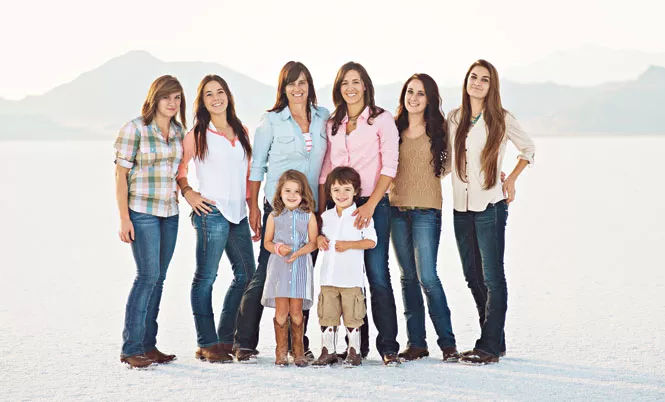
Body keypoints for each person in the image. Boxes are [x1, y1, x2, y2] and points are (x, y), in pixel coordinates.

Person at [234, 61, 329, 362]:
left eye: (302, 82)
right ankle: (244, 343)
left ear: (309, 86)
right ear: (283, 88)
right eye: (291, 83)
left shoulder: (323, 117)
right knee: (267, 274)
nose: (297, 88)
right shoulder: (271, 121)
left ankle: (298, 344)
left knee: (302, 277)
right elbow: (257, 165)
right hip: (276, 207)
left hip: (310, 209)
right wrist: (253, 207)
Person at [448, 59, 535, 364]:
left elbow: (529, 149)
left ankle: (487, 346)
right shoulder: (455, 118)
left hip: (490, 206)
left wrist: (510, 178)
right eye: (473, 77)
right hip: (461, 207)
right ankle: (495, 340)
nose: (477, 83)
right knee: (473, 276)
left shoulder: (501, 118)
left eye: (484, 79)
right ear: (466, 81)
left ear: (491, 86)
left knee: (492, 277)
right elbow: (447, 163)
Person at [318, 61, 401, 365]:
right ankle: (357, 346)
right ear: (339, 89)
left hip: (372, 203)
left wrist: (369, 205)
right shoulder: (333, 123)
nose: (350, 88)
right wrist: (325, 207)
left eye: (356, 82)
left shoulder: (382, 120)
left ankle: (388, 345)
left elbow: (390, 167)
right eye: (344, 83)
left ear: (365, 85)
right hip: (339, 205)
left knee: (378, 274)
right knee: (348, 275)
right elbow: (327, 168)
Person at [176, 75, 257, 363]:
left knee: (247, 275)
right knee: (205, 278)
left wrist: (253, 208)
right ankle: (206, 342)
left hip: (238, 215)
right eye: (209, 94)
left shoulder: (242, 130)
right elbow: (180, 169)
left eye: (220, 91)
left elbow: (248, 175)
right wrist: (189, 193)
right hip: (211, 214)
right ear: (203, 101)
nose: (216, 98)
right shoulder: (197, 134)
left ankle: (225, 338)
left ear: (228, 95)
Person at [114, 75, 186, 368]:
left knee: (159, 278)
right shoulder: (135, 129)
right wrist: (124, 217)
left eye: (177, 98)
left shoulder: (180, 131)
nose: (172, 103)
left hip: (170, 212)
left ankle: (148, 345)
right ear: (155, 98)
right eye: (167, 97)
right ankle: (131, 347)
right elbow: (120, 175)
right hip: (141, 211)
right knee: (146, 276)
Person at [390, 73, 460, 362]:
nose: (414, 98)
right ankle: (416, 343)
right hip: (395, 209)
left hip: (427, 211)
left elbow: (449, 165)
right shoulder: (394, 129)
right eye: (410, 92)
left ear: (429, 99)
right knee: (407, 278)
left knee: (428, 277)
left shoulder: (440, 130)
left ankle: (448, 344)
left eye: (420, 93)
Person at [313, 167, 376, 367]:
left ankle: (354, 352)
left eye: (347, 189)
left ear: (356, 191)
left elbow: (371, 242)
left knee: (353, 316)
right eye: (336, 190)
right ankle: (327, 351)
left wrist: (349, 245)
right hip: (328, 278)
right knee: (327, 314)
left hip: (351, 279)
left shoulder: (361, 215)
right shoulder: (326, 216)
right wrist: (320, 239)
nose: (341, 195)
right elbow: (319, 236)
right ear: (330, 192)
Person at [261, 170, 318, 366]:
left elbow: (313, 243)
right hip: (279, 268)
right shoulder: (274, 216)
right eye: (287, 191)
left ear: (303, 194)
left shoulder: (309, 216)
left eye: (297, 191)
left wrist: (299, 252)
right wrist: (278, 248)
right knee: (281, 311)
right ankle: (281, 352)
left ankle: (299, 351)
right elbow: (267, 242)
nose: (292, 195)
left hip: (300, 266)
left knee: (296, 311)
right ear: (280, 193)